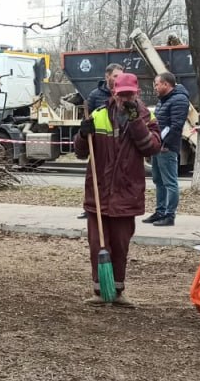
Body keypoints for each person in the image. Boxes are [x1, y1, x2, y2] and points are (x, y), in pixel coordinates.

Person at [73, 73, 161, 308]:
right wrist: (82, 134)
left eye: (129, 94)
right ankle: (100, 291)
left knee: (120, 245)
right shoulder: (98, 115)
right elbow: (81, 152)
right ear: (114, 92)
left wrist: (136, 123)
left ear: (137, 93)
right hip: (99, 192)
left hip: (126, 193)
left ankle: (118, 291)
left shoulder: (146, 116)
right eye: (121, 94)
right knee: (98, 244)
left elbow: (151, 148)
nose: (125, 99)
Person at [79, 63, 128, 220]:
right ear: (107, 76)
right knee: (95, 178)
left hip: (119, 144)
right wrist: (86, 130)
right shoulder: (95, 95)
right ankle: (92, 208)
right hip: (100, 144)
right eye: (115, 76)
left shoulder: (125, 93)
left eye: (120, 76)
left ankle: (113, 208)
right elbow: (88, 119)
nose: (118, 79)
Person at [150, 72, 189, 227]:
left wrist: (164, 144)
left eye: (157, 84)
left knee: (170, 182)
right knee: (158, 180)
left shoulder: (179, 99)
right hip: (157, 146)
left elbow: (176, 126)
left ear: (166, 84)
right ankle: (160, 211)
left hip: (167, 148)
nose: (155, 87)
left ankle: (169, 215)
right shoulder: (163, 100)